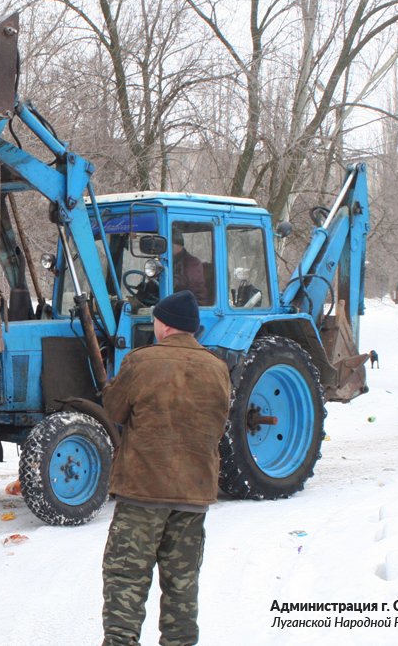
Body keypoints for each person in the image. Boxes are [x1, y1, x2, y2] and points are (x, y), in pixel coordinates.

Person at [101, 290, 231, 646]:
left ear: (165, 324)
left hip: (143, 491)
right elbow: (218, 425)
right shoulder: (218, 368)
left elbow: (113, 410)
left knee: (126, 578)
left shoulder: (141, 362)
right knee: (182, 585)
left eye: (156, 318)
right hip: (193, 494)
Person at [172, 233, 207, 304]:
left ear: (178, 245)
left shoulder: (193, 263)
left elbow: (191, 283)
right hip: (177, 299)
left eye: (170, 245)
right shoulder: (170, 261)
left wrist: (173, 281)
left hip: (193, 302)